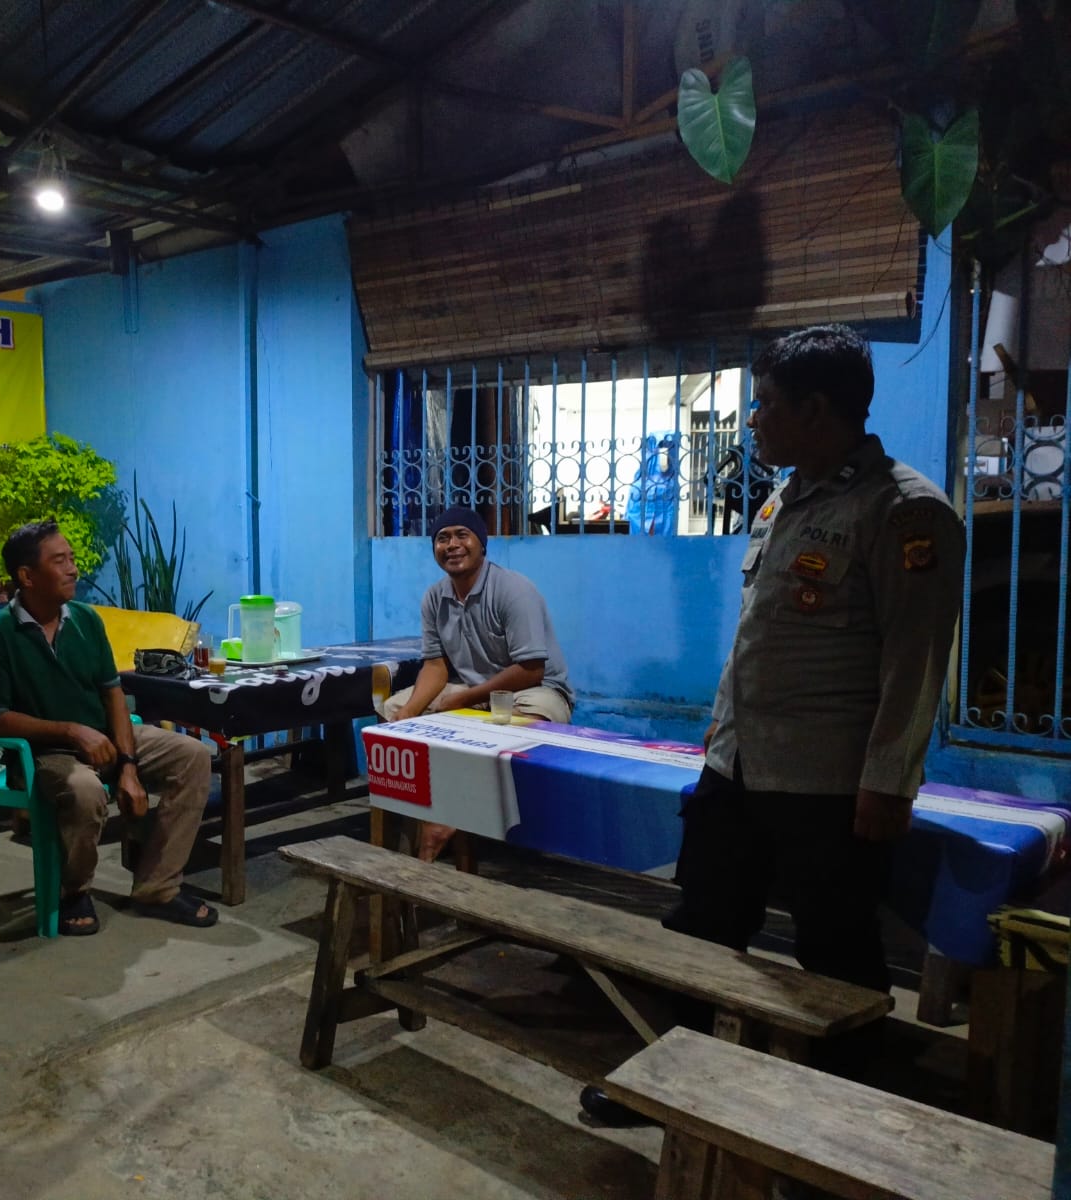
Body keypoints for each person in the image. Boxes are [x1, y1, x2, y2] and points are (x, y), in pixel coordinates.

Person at [580, 323, 966, 1126]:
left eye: (764, 405)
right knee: (701, 925)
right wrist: (719, 734)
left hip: (827, 783)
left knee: (834, 953)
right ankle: (671, 1084)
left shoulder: (904, 510)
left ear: (816, 409)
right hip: (737, 765)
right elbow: (758, 636)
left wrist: (887, 782)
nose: (752, 420)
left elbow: (916, 660)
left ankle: (832, 1126)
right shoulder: (781, 497)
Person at [0, 520, 216, 935]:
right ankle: (74, 891)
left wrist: (128, 765)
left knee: (191, 756)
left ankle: (157, 886)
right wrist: (70, 731)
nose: (73, 569)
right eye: (59, 561)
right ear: (26, 576)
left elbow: (112, 693)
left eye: (72, 559)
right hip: (42, 754)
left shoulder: (85, 620)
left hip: (104, 737)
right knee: (84, 790)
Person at [381, 505, 574, 861]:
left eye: (462, 535)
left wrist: (464, 700)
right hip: (472, 689)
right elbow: (435, 667)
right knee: (394, 711)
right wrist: (410, 712)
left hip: (534, 690)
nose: (452, 545)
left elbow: (531, 669)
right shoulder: (434, 598)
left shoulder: (514, 590)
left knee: (530, 722)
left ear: (481, 544)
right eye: (442, 538)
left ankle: (451, 815)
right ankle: (419, 814)